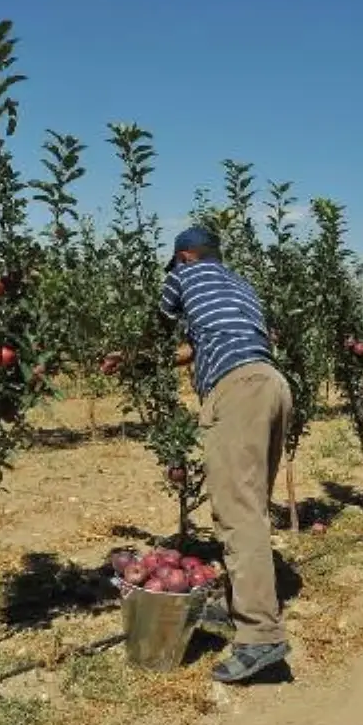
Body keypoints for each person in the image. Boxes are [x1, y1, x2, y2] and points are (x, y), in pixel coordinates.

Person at [157, 226, 293, 684]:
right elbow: (197, 345)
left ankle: (261, 637)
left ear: (186, 256)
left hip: (237, 392)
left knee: (238, 514)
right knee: (251, 507)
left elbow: (157, 324)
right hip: (273, 385)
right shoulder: (239, 286)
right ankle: (238, 604)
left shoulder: (185, 274)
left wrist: (133, 354)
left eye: (177, 263)